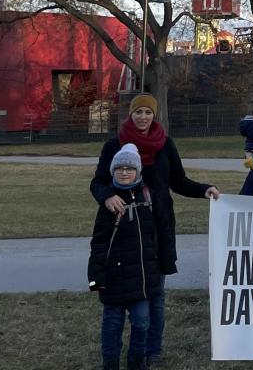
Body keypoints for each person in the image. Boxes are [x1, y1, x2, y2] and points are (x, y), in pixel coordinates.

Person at [90, 94, 219, 367]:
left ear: (154, 116)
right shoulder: (114, 145)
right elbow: (99, 182)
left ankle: (153, 349)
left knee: (156, 292)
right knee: (131, 295)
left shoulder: (165, 144)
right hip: (125, 225)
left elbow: (179, 181)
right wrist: (106, 196)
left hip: (159, 225)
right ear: (130, 114)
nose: (143, 118)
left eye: (148, 113)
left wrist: (203, 189)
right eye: (138, 113)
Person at [88, 143, 160, 370]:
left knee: (142, 324)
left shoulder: (148, 197)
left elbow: (155, 237)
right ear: (113, 171)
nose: (125, 172)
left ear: (138, 171)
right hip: (114, 278)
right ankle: (110, 363)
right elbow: (99, 242)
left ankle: (136, 363)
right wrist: (95, 277)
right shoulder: (109, 202)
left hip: (141, 279)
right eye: (120, 168)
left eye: (130, 168)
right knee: (112, 325)